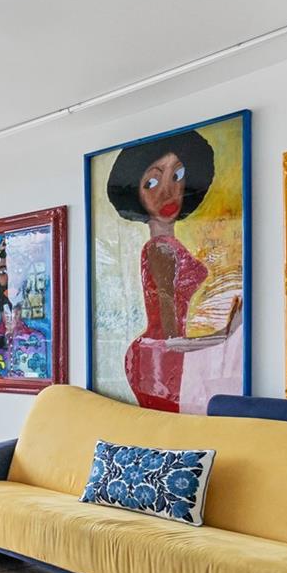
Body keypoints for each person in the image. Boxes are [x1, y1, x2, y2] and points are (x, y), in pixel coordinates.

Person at [106, 128, 240, 411]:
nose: (168, 191)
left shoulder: (167, 246)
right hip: (158, 357)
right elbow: (172, 341)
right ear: (135, 193)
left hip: (159, 354)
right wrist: (225, 334)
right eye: (152, 181)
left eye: (177, 176)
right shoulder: (161, 249)